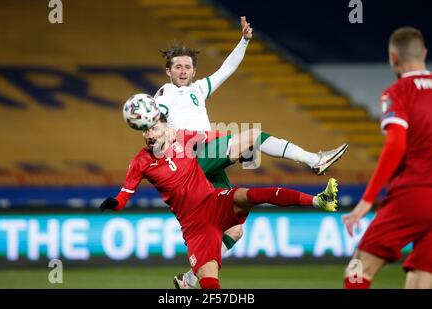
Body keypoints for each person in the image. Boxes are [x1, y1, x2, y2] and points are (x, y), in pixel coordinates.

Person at [155, 16, 348, 288]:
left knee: (235, 230)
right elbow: (154, 118)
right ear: (168, 71)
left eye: (188, 66)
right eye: (178, 67)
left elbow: (227, 69)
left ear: (194, 71)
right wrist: (159, 132)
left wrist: (244, 41)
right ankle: (314, 160)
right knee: (253, 137)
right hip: (191, 156)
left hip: (206, 163)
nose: (183, 71)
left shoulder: (199, 89)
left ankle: (189, 280)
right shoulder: (165, 94)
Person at [100, 112, 339, 289]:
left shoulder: (185, 139)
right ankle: (191, 279)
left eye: (153, 129)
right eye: (145, 131)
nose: (149, 135)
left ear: (167, 128)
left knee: (252, 194)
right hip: (195, 226)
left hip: (214, 200)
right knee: (210, 282)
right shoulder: (141, 160)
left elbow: (219, 136)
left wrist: (244, 145)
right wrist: (114, 203)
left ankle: (319, 201)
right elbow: (124, 195)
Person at [342, 26, 432, 289]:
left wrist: (366, 202)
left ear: (393, 57)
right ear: (423, 53)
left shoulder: (398, 92)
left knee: (357, 269)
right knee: (422, 276)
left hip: (412, 194)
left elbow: (395, 146)